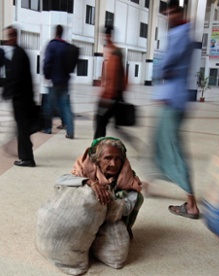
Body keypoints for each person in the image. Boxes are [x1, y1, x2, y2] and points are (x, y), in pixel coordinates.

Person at [151, 0, 199, 219]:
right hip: (172, 98)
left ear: (179, 13)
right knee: (160, 144)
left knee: (173, 148)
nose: (168, 17)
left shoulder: (179, 33)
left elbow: (165, 64)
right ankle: (148, 182)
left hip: (173, 100)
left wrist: (160, 66)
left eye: (171, 13)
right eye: (166, 13)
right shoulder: (184, 32)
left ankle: (191, 204)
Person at [71, 137, 144, 238]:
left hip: (112, 215)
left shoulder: (126, 175)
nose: (114, 164)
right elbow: (62, 180)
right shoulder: (84, 168)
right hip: (87, 216)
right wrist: (90, 182)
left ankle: (123, 229)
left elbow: (128, 206)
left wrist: (112, 202)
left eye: (118, 159)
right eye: (108, 158)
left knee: (138, 197)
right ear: (97, 160)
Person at [3, 26, 38, 167]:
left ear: (16, 36)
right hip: (23, 98)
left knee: (22, 129)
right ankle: (26, 153)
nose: (9, 38)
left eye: (11, 35)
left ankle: (27, 158)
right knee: (22, 128)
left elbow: (16, 78)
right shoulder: (19, 52)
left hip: (21, 99)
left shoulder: (19, 54)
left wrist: (7, 92)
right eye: (8, 35)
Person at [93, 26, 127, 139]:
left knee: (100, 122)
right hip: (113, 95)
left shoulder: (114, 52)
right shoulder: (110, 51)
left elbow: (114, 74)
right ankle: (99, 146)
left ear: (110, 35)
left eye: (107, 35)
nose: (105, 37)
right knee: (101, 123)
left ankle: (98, 148)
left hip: (110, 96)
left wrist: (108, 95)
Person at [43, 25, 75, 139]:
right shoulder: (67, 46)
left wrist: (47, 75)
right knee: (66, 107)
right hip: (65, 81)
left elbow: (47, 61)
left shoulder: (52, 45)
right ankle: (70, 131)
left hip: (54, 81)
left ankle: (47, 129)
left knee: (49, 107)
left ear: (55, 32)